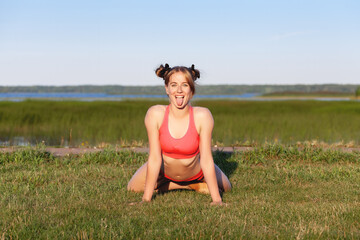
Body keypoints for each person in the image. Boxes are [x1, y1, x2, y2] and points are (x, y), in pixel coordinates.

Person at [127, 63, 231, 205]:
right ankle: (186, 186)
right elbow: (154, 158)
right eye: (174, 85)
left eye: (185, 85)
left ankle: (186, 184)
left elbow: (206, 159)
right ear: (167, 89)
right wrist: (146, 199)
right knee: (132, 188)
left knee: (226, 187)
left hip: (196, 172)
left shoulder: (203, 116)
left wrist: (217, 200)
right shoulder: (155, 114)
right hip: (165, 173)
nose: (179, 90)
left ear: (192, 90)